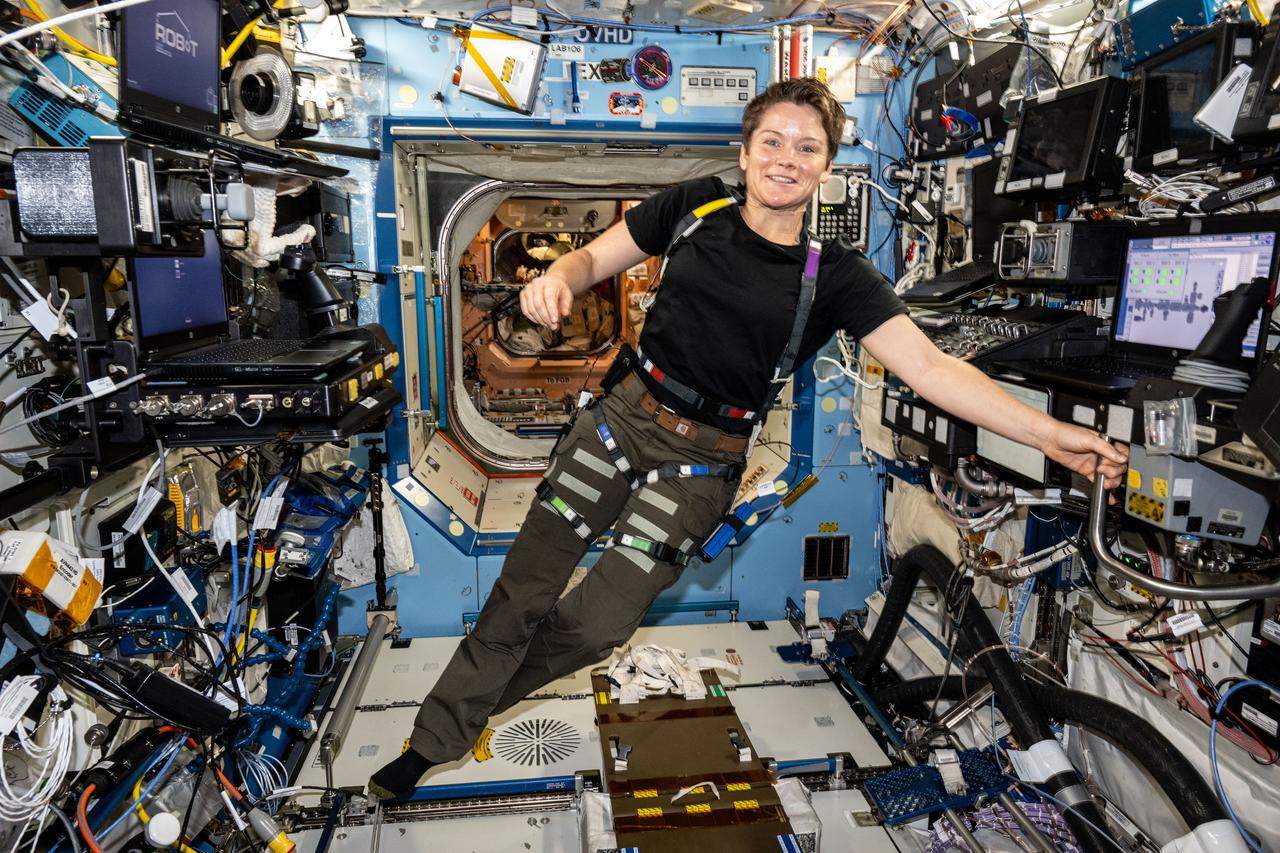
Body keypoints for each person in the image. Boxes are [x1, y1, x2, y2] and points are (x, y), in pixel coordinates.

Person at [368, 78, 1128, 799]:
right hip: (620, 421)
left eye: (805, 147)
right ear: (745, 151)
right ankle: (433, 739)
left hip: (704, 462)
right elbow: (595, 255)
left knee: (601, 622)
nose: (785, 159)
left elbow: (932, 369)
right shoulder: (696, 208)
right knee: (519, 596)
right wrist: (557, 276)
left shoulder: (839, 278)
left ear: (827, 167)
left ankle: (472, 703)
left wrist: (1052, 435)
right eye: (772, 141)